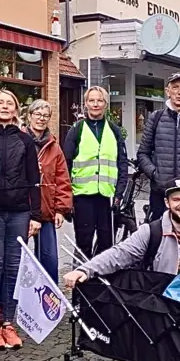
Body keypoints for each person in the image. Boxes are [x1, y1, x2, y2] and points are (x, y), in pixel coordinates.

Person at [62, 179, 180, 286]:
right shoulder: (152, 232)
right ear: (167, 203)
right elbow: (119, 254)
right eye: (176, 200)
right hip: (163, 309)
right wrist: (85, 270)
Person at [0, 88, 41, 350]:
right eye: (0, 103)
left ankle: (9, 323)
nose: (5, 107)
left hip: (19, 212)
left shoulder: (25, 140)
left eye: (10, 103)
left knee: (13, 268)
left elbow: (34, 179)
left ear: (16, 110)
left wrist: (36, 215)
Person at [63, 85, 126, 260]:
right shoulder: (77, 129)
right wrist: (67, 198)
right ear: (86, 104)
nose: (95, 104)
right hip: (82, 196)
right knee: (84, 243)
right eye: (92, 100)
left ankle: (102, 282)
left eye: (99, 100)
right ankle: (82, 283)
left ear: (105, 104)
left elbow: (122, 164)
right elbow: (65, 165)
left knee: (107, 244)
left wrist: (119, 195)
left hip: (107, 198)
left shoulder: (114, 131)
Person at [138, 72, 180, 220]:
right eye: (175, 87)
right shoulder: (155, 118)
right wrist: (155, 174)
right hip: (161, 193)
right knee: (159, 238)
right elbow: (143, 153)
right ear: (167, 91)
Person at [26, 99, 73, 281]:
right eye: (37, 114)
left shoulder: (54, 147)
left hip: (46, 210)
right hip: (22, 209)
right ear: (29, 116)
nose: (41, 119)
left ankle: (49, 300)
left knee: (49, 259)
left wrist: (61, 209)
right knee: (16, 259)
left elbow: (62, 179)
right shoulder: (20, 140)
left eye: (45, 115)